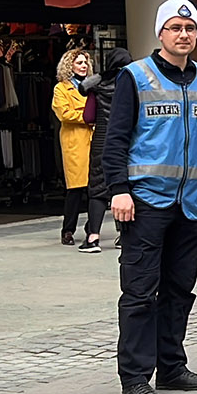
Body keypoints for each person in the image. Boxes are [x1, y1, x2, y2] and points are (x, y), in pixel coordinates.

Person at [104, 0, 197, 394]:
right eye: (175, 28)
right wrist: (118, 189)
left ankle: (171, 366)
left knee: (179, 290)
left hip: (193, 204)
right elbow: (116, 138)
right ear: (160, 33)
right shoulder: (135, 76)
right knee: (140, 293)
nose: (183, 35)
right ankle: (135, 377)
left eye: (189, 29)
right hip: (145, 203)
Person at [82, 48, 132, 251]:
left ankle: (93, 237)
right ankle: (124, 236)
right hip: (128, 140)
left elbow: (88, 115)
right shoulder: (134, 83)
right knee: (124, 187)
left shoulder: (98, 85)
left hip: (102, 139)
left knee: (97, 189)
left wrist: (103, 75)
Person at [51, 48, 96, 248]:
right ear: (70, 66)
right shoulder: (61, 89)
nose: (83, 66)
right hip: (75, 142)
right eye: (79, 63)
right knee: (76, 190)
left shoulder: (94, 86)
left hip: (94, 140)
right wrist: (86, 118)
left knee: (96, 190)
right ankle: (68, 230)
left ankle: (92, 229)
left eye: (85, 63)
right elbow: (64, 114)